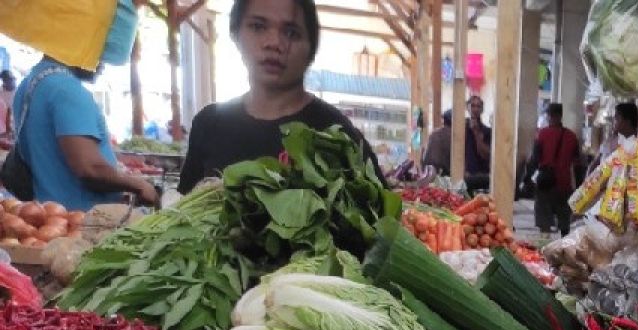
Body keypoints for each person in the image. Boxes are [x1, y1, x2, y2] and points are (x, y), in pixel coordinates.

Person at [178, 0, 381, 193]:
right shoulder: (209, 124)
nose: (274, 43)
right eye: (258, 27)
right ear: (236, 34)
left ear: (311, 46)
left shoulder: (337, 135)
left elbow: (385, 219)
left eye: (291, 33)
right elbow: (179, 214)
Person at [10, 0, 157, 210]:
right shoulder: (66, 90)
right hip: (80, 221)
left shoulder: (32, 82)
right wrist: (140, 185)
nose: (101, 65)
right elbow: (89, 168)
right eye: (101, 56)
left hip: (49, 213)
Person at [530, 102, 581, 237]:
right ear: (561, 115)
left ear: (548, 116)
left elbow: (534, 160)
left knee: (544, 220)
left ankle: (544, 247)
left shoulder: (542, 134)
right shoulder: (572, 136)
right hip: (564, 185)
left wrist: (528, 180)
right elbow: (578, 163)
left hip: (545, 184)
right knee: (564, 222)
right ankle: (563, 251)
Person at [464, 95, 491, 194]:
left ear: (482, 109)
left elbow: (486, 154)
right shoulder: (461, 128)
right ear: (467, 107)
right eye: (473, 105)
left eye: (478, 106)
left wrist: (476, 133)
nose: (475, 109)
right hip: (464, 175)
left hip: (480, 176)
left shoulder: (487, 131)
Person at [423, 109, 452, 176]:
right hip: (444, 175)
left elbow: (424, 156)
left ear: (444, 121)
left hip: (428, 173)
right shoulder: (455, 138)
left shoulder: (434, 134)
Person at [0, 70, 16, 137]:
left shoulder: (19, 92)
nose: (11, 82)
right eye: (6, 80)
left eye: (12, 79)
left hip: (15, 127)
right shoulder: (0, 92)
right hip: (2, 129)